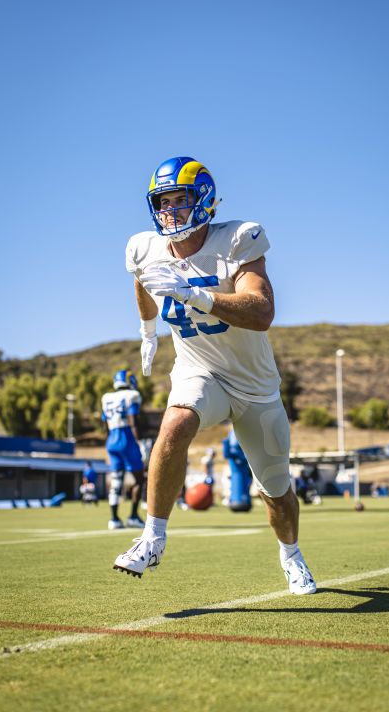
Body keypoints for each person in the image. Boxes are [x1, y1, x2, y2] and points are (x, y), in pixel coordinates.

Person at [112, 156, 315, 594]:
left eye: (179, 201)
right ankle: (152, 536)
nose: (169, 212)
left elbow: (262, 312)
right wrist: (147, 332)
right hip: (199, 370)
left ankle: (292, 555)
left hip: (254, 385)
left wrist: (194, 295)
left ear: (203, 200)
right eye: (162, 203)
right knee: (176, 422)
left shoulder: (238, 239)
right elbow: (142, 281)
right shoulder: (143, 247)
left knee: (276, 491)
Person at [101, 370, 147, 530]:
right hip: (126, 438)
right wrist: (139, 441)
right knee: (140, 479)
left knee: (116, 481)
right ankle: (133, 516)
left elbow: (104, 424)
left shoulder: (106, 398)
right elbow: (133, 420)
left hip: (111, 440)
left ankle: (113, 519)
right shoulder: (131, 395)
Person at [222, 425, 253, 512]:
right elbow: (227, 454)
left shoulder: (241, 453)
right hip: (239, 470)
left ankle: (240, 499)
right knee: (239, 479)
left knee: (243, 481)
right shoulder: (236, 453)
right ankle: (238, 499)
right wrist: (226, 444)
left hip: (243, 471)